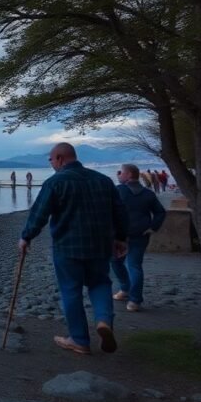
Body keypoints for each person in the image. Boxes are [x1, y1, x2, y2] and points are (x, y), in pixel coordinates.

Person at [19, 143, 128, 355]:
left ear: (59, 158)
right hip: (99, 245)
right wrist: (121, 238)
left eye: (50, 160)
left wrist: (26, 237)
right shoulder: (104, 180)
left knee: (71, 291)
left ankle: (79, 340)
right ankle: (104, 321)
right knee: (100, 284)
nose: (50, 164)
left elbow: (39, 214)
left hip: (67, 246)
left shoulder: (55, 182)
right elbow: (120, 212)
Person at [112, 163, 167, 312]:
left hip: (120, 236)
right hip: (141, 234)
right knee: (133, 266)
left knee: (118, 263)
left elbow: (108, 211)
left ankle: (127, 291)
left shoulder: (118, 191)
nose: (118, 174)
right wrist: (152, 227)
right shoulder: (148, 193)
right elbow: (160, 212)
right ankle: (133, 299)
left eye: (120, 172)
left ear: (129, 174)